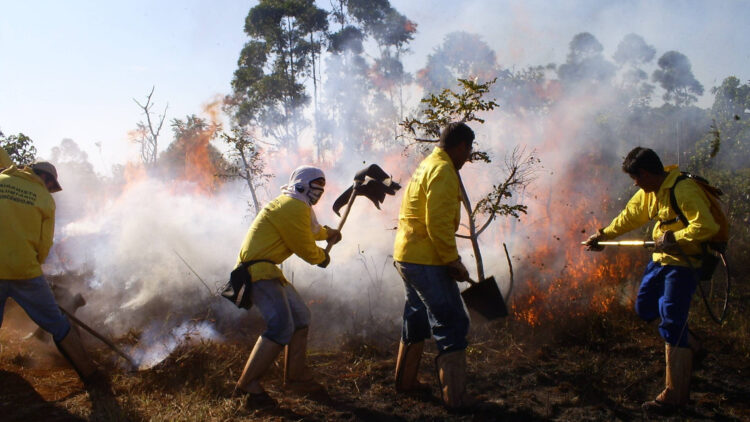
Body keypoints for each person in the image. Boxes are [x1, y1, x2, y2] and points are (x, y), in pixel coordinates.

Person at [584, 147, 719, 415]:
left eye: (636, 178)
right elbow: (629, 217)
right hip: (660, 260)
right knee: (644, 307)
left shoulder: (683, 189)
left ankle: (674, 397)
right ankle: (692, 346)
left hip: (683, 264)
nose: (635, 183)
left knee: (671, 318)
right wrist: (603, 236)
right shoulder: (650, 192)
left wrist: (675, 238)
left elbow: (707, 226)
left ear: (645, 173)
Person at [233, 165, 341, 408]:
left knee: (301, 317)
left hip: (268, 270)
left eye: (322, 187)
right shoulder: (292, 206)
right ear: (302, 184)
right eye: (316, 186)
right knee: (281, 325)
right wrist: (321, 258)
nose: (319, 192)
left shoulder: (296, 205)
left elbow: (310, 230)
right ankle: (247, 385)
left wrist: (328, 234)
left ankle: (295, 378)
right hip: (257, 271)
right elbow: (304, 246)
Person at [0, 162, 109, 393]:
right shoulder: (44, 198)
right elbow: (44, 244)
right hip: (24, 270)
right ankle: (92, 377)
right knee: (59, 324)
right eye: (51, 185)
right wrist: (33, 264)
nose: (50, 189)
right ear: (47, 179)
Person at [392, 122, 476, 411]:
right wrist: (452, 260)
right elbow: (438, 223)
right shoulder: (443, 170)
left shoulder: (427, 164)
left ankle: (404, 382)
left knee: (416, 316)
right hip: (425, 259)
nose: (468, 157)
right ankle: (457, 399)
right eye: (468, 150)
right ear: (462, 146)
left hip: (407, 255)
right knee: (452, 321)